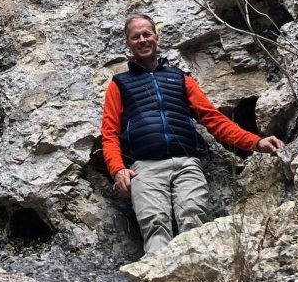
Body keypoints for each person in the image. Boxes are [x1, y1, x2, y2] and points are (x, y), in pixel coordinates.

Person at [100, 13, 285, 254]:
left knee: (194, 219)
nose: (143, 40)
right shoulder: (119, 84)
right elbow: (109, 133)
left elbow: (214, 120)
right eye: (136, 37)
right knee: (154, 224)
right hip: (144, 167)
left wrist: (256, 142)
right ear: (128, 43)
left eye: (147, 34)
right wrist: (117, 169)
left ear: (156, 37)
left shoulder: (180, 79)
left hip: (186, 163)